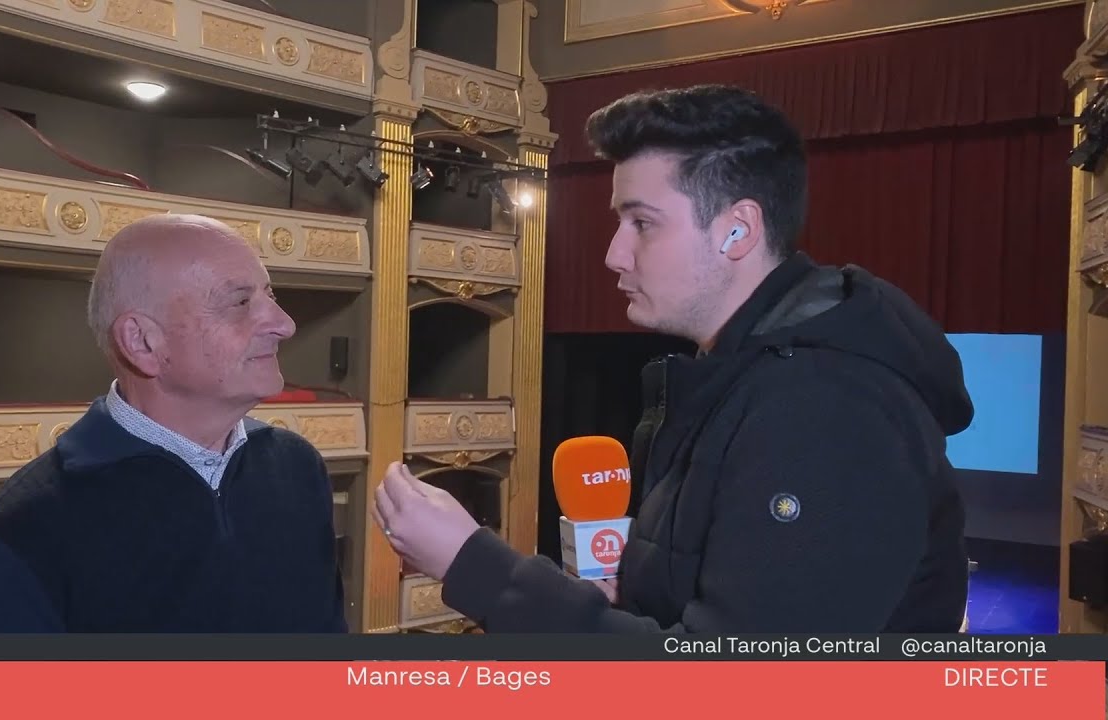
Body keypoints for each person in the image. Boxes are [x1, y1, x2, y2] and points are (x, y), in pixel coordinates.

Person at [373, 84, 974, 633]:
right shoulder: (739, 382)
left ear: (737, 230)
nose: (614, 253)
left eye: (643, 222)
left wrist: (475, 566)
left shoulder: (826, 410)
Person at [0, 214, 347, 633]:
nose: (285, 324)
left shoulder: (297, 468)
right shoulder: (28, 525)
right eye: (240, 303)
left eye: (270, 294)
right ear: (141, 342)